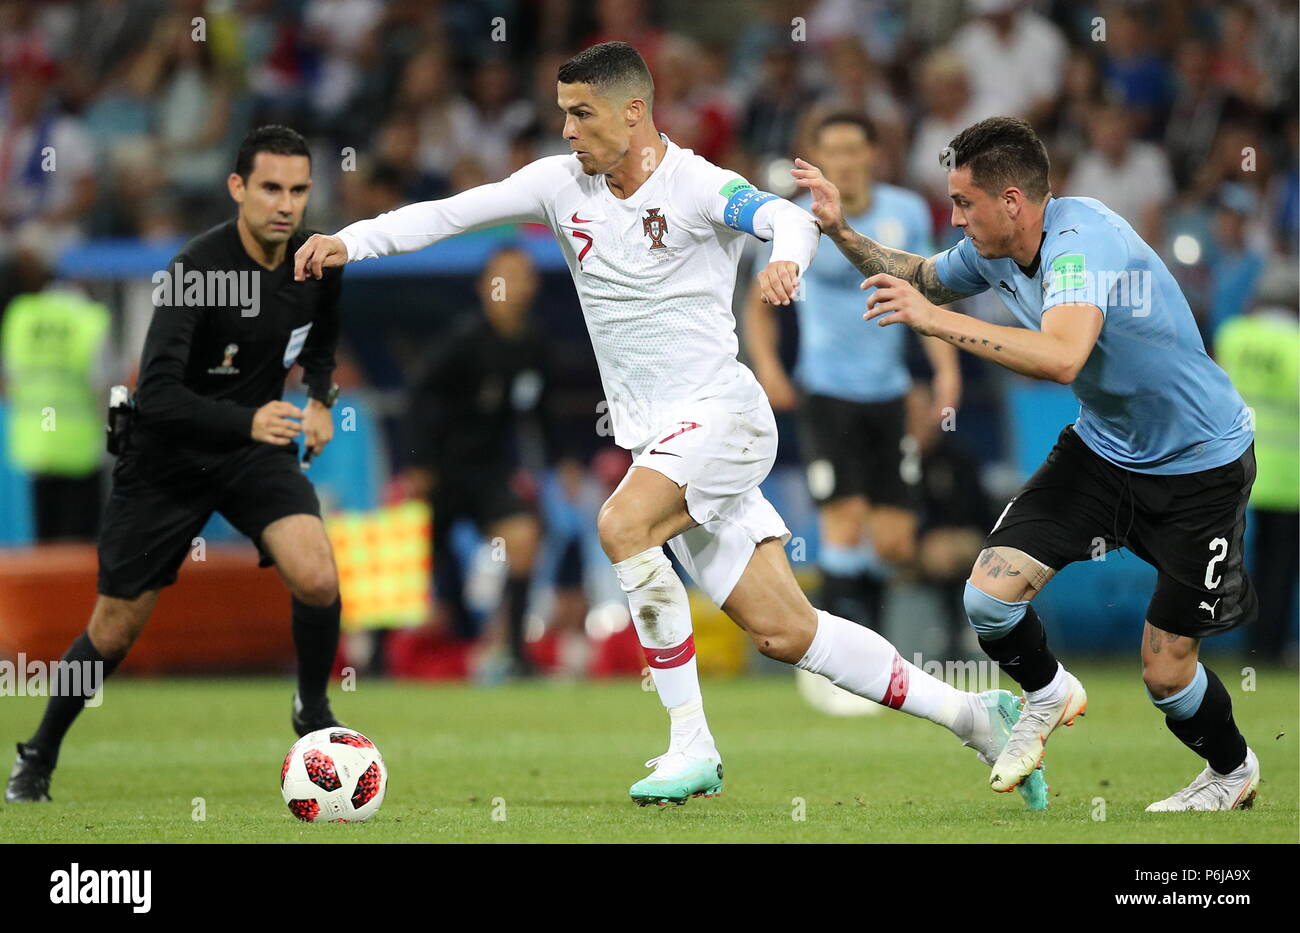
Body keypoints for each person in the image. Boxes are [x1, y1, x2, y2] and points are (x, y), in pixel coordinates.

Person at [294, 42, 1046, 810]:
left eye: (581, 113)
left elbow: (783, 214)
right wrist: (348, 242)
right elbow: (450, 215)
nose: (567, 129)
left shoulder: (696, 184)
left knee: (622, 522)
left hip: (724, 416)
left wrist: (786, 257)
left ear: (634, 110)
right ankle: (975, 713)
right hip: (666, 443)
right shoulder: (559, 185)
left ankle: (691, 741)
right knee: (788, 632)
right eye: (562, 112)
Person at [797, 115, 1261, 811]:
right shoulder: (990, 249)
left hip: (1201, 465)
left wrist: (932, 321)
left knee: (1165, 672)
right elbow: (921, 275)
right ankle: (1046, 693)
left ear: (1012, 201)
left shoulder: (1080, 242)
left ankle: (1232, 770)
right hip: (1105, 449)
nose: (954, 219)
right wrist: (841, 232)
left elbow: (1062, 355)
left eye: (963, 204)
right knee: (987, 596)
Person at [6, 126, 346, 803]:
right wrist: (248, 416)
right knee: (113, 627)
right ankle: (38, 753)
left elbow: (324, 338)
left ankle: (311, 710)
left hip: (254, 450)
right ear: (238, 189)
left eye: (299, 190)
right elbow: (155, 393)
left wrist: (318, 398)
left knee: (316, 572)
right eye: (271, 188)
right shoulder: (196, 270)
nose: (287, 204)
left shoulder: (320, 261)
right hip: (165, 457)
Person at [745, 111, 960, 636]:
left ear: (871, 155)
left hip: (889, 394)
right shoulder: (796, 218)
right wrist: (769, 367)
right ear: (818, 159)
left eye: (853, 149)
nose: (844, 159)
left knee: (894, 541)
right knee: (842, 524)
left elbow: (928, 295)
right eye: (832, 150)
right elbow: (757, 304)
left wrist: (946, 375)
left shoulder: (905, 212)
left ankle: (873, 655)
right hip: (825, 390)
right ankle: (842, 666)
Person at [405, 244, 558, 678]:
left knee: (525, 538)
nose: (512, 286)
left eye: (521, 275)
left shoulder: (533, 343)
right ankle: (377, 656)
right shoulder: (462, 342)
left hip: (489, 473)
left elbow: (541, 411)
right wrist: (417, 464)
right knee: (411, 560)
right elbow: (419, 397)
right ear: (484, 287)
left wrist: (561, 461)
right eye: (502, 276)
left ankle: (514, 653)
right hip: (440, 472)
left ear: (533, 286)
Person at [0, 232, 112, 541]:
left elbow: (8, 380)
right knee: (82, 551)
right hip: (82, 450)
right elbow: (103, 382)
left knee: (45, 549)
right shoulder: (91, 319)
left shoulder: (21, 315)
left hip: (36, 446)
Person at [1214, 260, 1299, 663]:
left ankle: (1250, 644)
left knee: (1244, 561)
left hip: (1237, 466)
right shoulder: (1295, 344)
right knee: (1281, 566)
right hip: (1288, 476)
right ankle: (1271, 648)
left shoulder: (1233, 335)